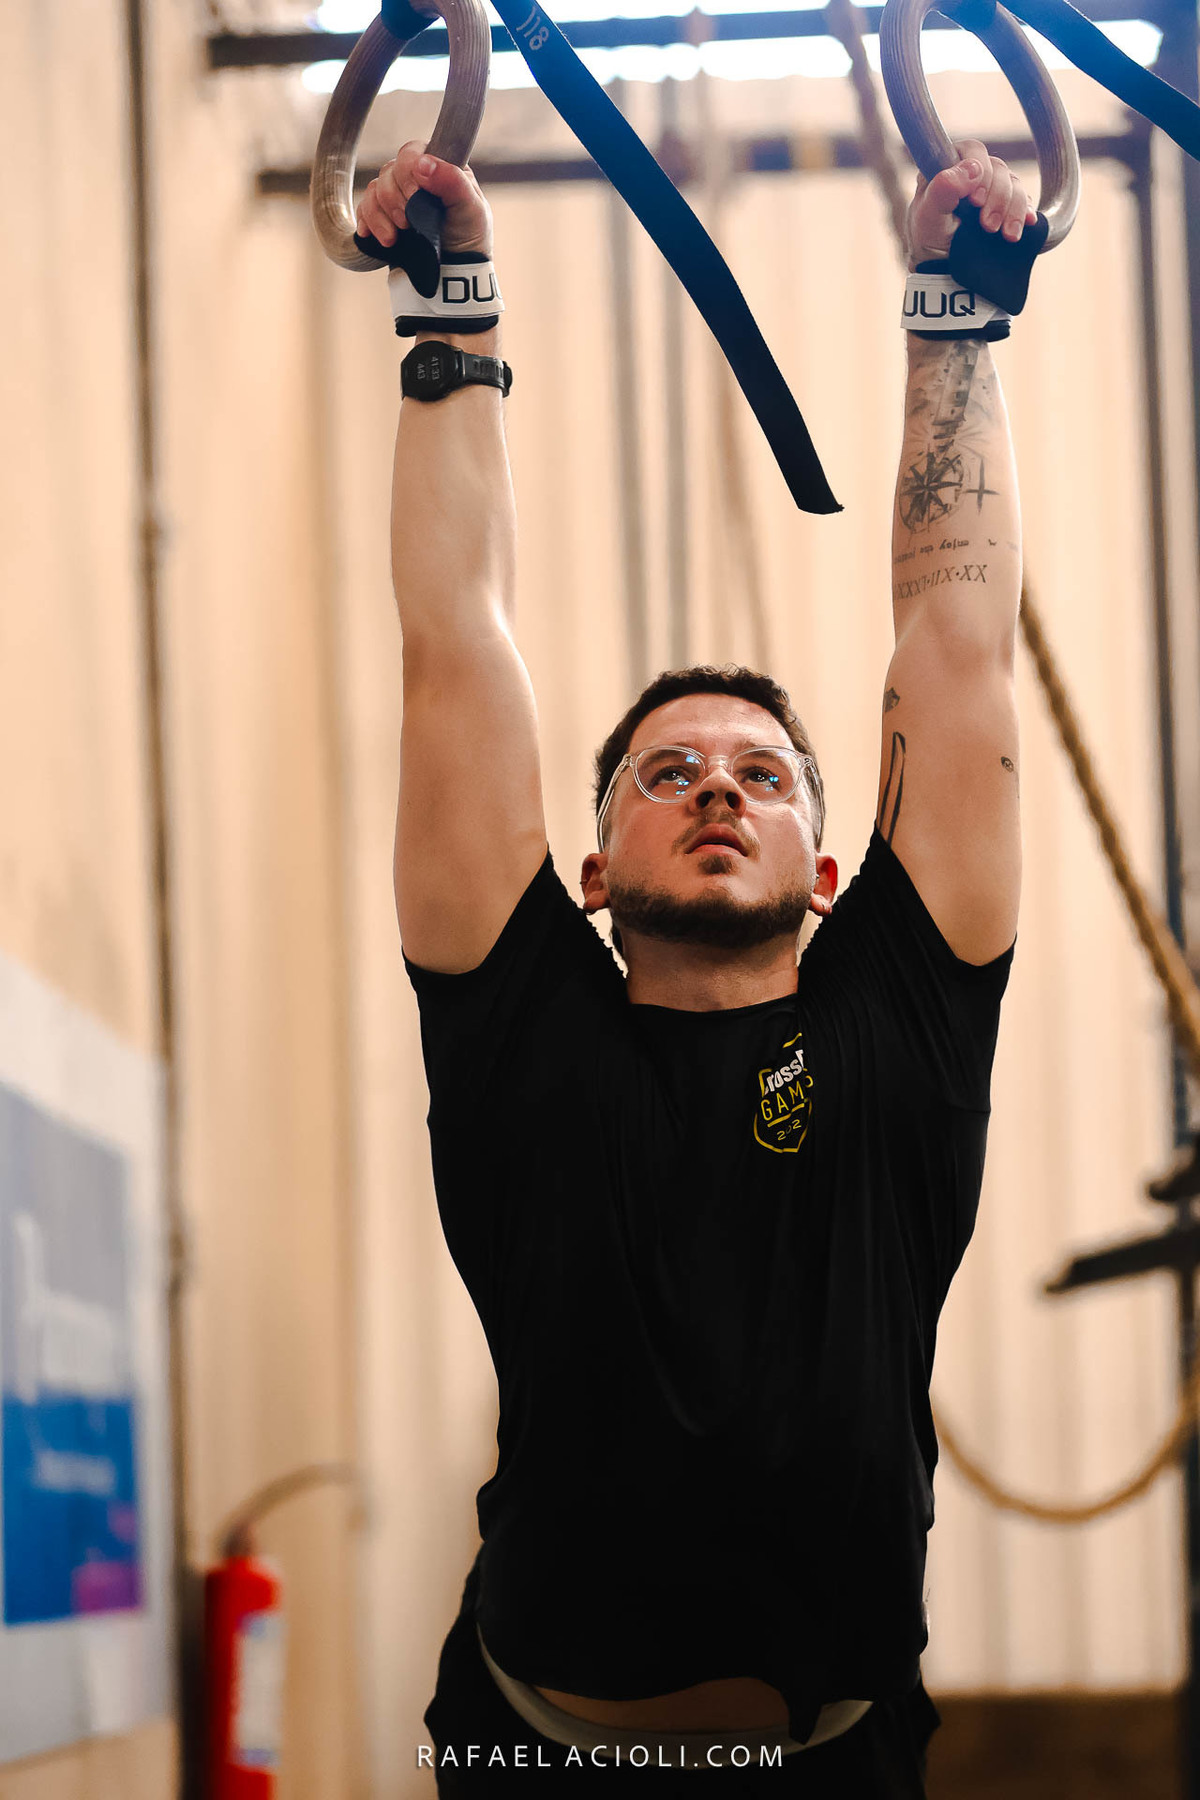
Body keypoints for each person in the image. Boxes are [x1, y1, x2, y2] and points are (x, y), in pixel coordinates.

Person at [359, 132, 1031, 1795]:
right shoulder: (525, 1033)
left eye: (762, 774)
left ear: (829, 872)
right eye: (667, 773)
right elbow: (455, 642)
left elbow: (958, 648)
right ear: (591, 873)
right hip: (534, 1754)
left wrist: (954, 318)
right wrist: (452, 312)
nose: (718, 787)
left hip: (839, 1760)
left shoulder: (903, 1025)